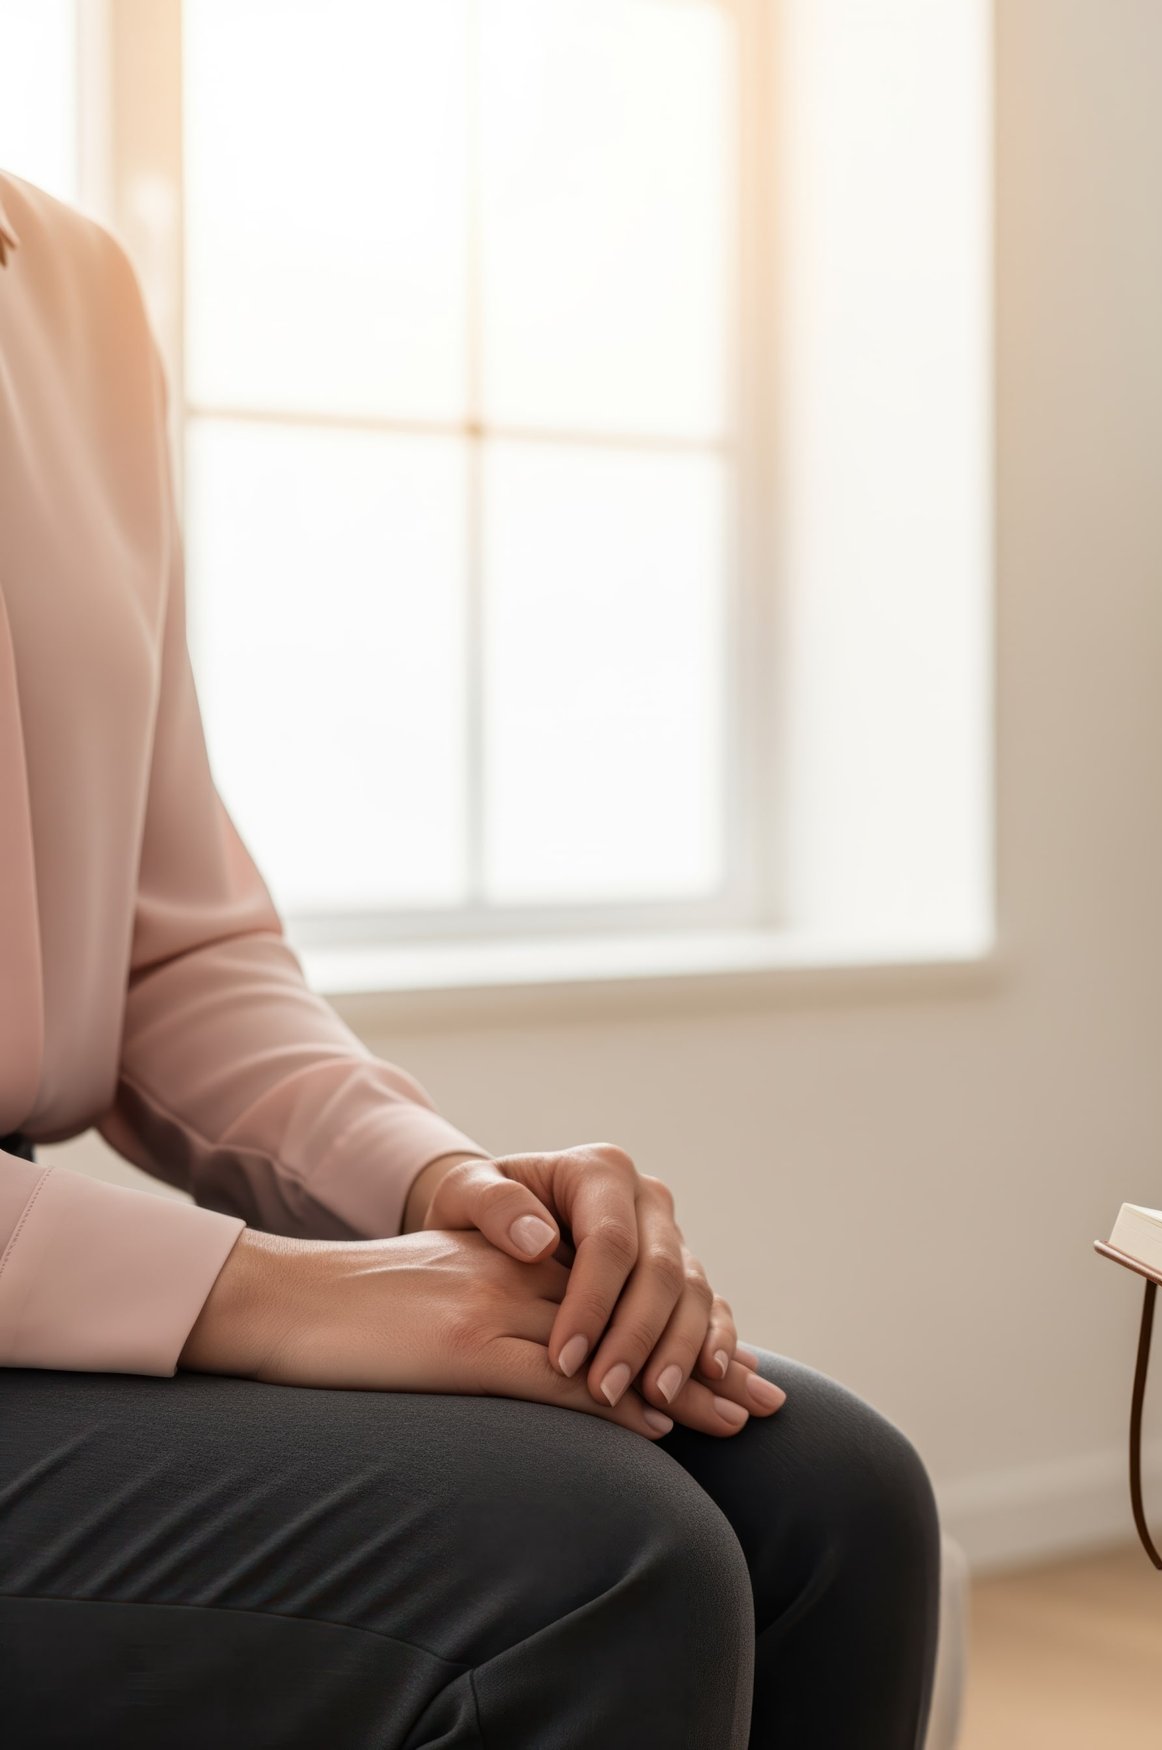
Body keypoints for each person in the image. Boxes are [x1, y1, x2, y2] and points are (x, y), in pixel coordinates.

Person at [0, 174, 937, 1746]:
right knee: (593, 1565)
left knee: (830, 1496)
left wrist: (441, 1190)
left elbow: (172, 952)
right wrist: (264, 1295)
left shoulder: (66, 283)